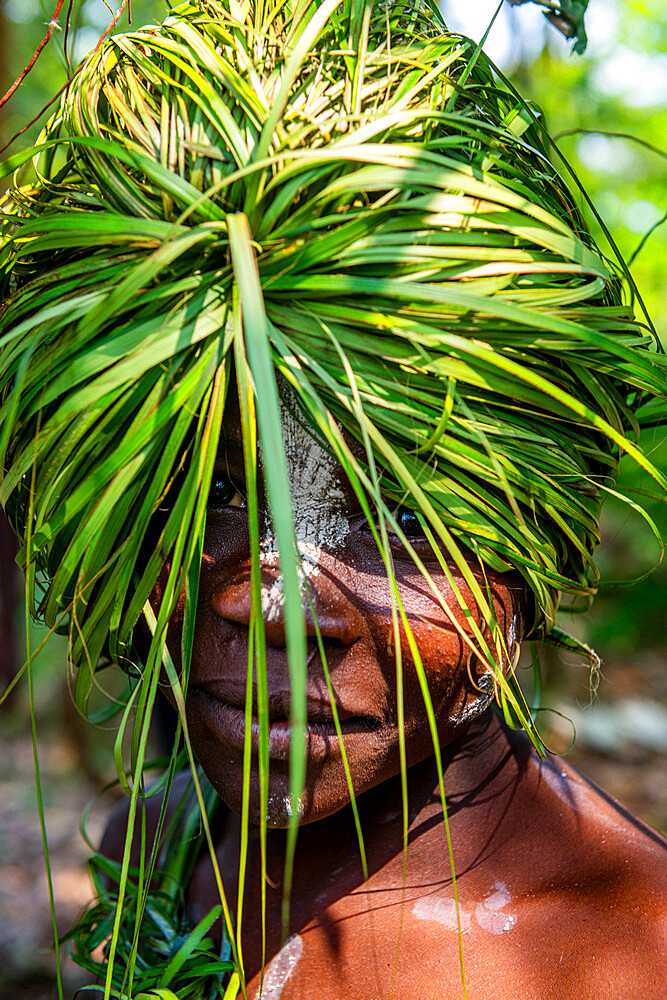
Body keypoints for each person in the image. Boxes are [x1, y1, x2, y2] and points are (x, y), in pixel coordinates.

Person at [0, 1, 665, 997]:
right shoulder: (164, 838)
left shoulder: (620, 955)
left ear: (531, 551)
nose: (264, 602)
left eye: (398, 518)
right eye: (220, 494)